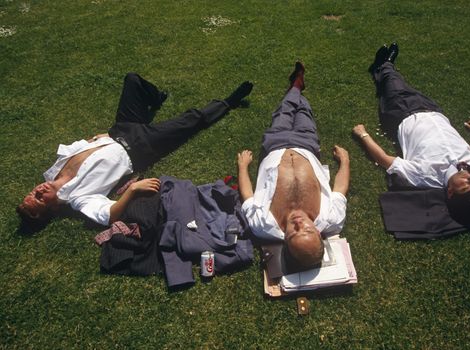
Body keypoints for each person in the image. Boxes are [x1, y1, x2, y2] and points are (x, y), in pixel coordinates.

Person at [17, 72, 253, 229]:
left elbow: (77, 154)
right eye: (39, 197)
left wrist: (94, 140)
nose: (38, 189)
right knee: (190, 121)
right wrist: (133, 190)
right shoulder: (78, 200)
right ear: (49, 209)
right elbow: (110, 215)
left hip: (118, 131)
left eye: (33, 192)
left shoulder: (51, 175)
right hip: (139, 146)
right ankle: (228, 102)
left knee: (132, 80)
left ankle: (155, 96)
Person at [353, 43, 470, 228]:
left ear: (450, 192)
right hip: (434, 112)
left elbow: (386, 160)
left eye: (467, 185)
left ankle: (385, 64)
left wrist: (363, 135)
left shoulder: (425, 176)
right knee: (401, 86)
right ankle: (382, 69)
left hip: (403, 114)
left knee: (394, 83)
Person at [237, 62, 350, 268]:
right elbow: (340, 189)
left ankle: (296, 86)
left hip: (275, 146)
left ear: (284, 244)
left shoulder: (262, 225)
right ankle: (297, 88)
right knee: (305, 114)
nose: (299, 224)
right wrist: (345, 161)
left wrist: (243, 166)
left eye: (293, 234)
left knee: (284, 112)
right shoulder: (332, 219)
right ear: (319, 233)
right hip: (306, 146)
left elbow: (247, 196)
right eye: (307, 230)